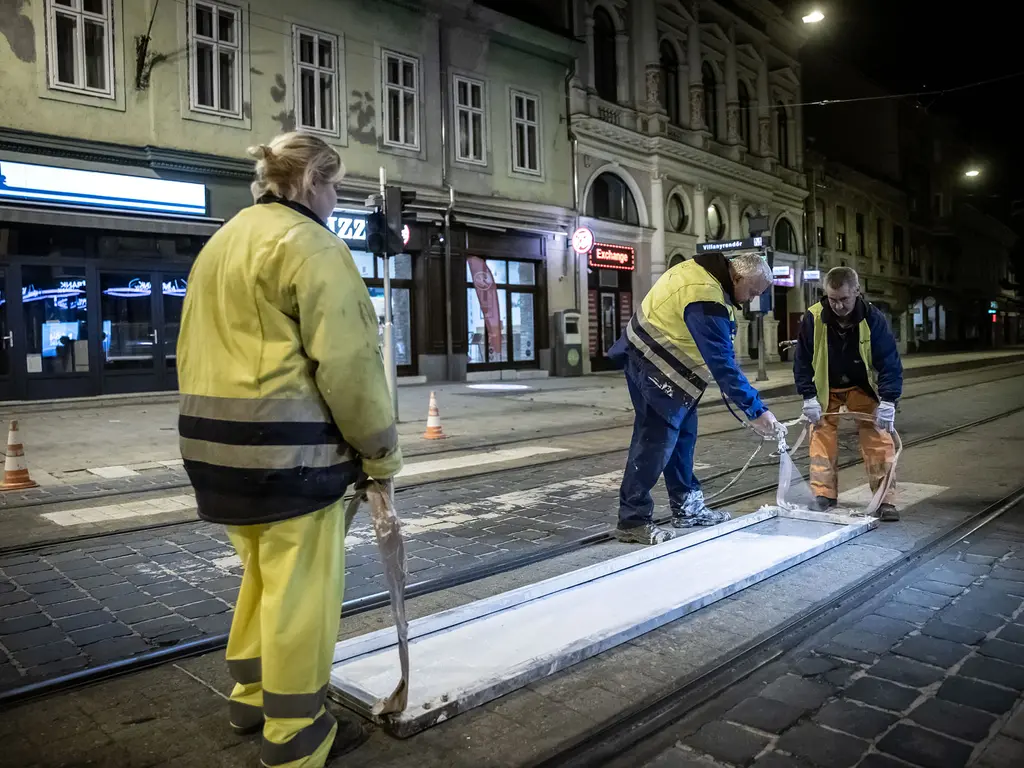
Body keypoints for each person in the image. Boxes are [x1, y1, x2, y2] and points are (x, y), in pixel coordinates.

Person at [177, 132, 402, 767]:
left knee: (263, 575)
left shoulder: (222, 241)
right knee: (301, 591)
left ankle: (251, 694)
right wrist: (380, 456)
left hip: (214, 452)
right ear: (311, 183)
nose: (337, 199)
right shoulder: (313, 247)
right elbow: (352, 368)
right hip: (289, 457)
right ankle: (298, 736)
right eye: (335, 186)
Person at [608, 252, 784, 545]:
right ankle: (633, 519)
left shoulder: (706, 275)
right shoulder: (706, 298)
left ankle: (687, 507)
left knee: (682, 437)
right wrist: (756, 410)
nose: (752, 299)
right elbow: (723, 364)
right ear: (737, 277)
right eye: (753, 292)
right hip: (655, 364)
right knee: (656, 441)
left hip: (661, 364)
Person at [793, 266, 902, 521]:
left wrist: (888, 401)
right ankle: (824, 495)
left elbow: (889, 362)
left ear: (857, 292)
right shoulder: (813, 317)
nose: (839, 306)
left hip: (861, 386)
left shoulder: (873, 319)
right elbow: (802, 361)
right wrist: (808, 396)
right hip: (827, 387)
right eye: (833, 300)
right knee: (820, 436)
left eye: (844, 299)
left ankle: (884, 500)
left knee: (878, 438)